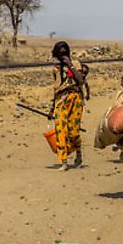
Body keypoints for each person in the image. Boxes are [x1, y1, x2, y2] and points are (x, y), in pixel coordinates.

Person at [48, 41, 88, 170]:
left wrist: (70, 65)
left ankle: (78, 154)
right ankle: (63, 161)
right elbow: (56, 89)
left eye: (65, 52)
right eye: (60, 53)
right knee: (60, 129)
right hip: (61, 100)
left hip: (75, 98)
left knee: (73, 132)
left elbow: (80, 81)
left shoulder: (76, 64)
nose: (62, 55)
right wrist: (51, 109)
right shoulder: (55, 69)